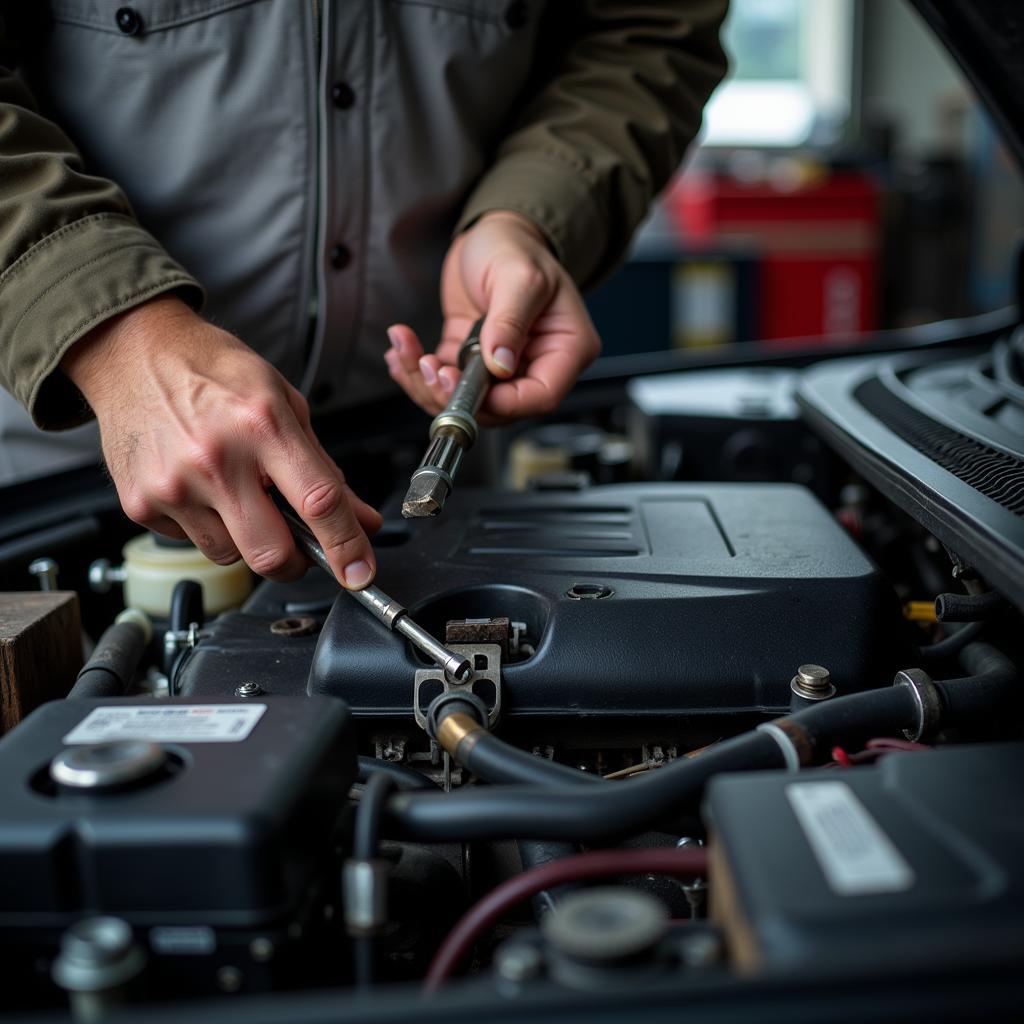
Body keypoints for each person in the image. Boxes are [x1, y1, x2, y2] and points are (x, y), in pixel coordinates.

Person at [0, 0, 727, 589]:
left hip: (420, 473)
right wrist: (117, 339)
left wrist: (531, 214)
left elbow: (647, 32)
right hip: (60, 487)